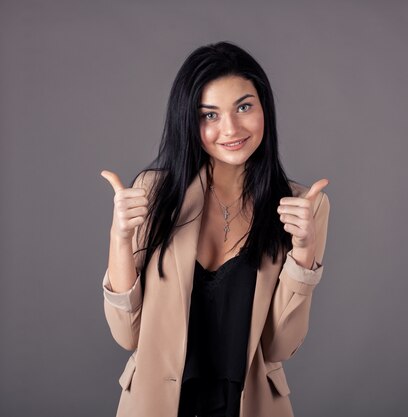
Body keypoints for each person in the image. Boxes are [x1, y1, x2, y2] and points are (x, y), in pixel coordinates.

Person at [99, 41, 331, 417]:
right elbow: (128, 335)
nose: (231, 128)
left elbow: (279, 346)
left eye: (244, 107)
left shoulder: (304, 208)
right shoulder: (154, 193)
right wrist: (119, 238)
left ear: (264, 109)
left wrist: (302, 251)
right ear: (188, 121)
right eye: (210, 115)